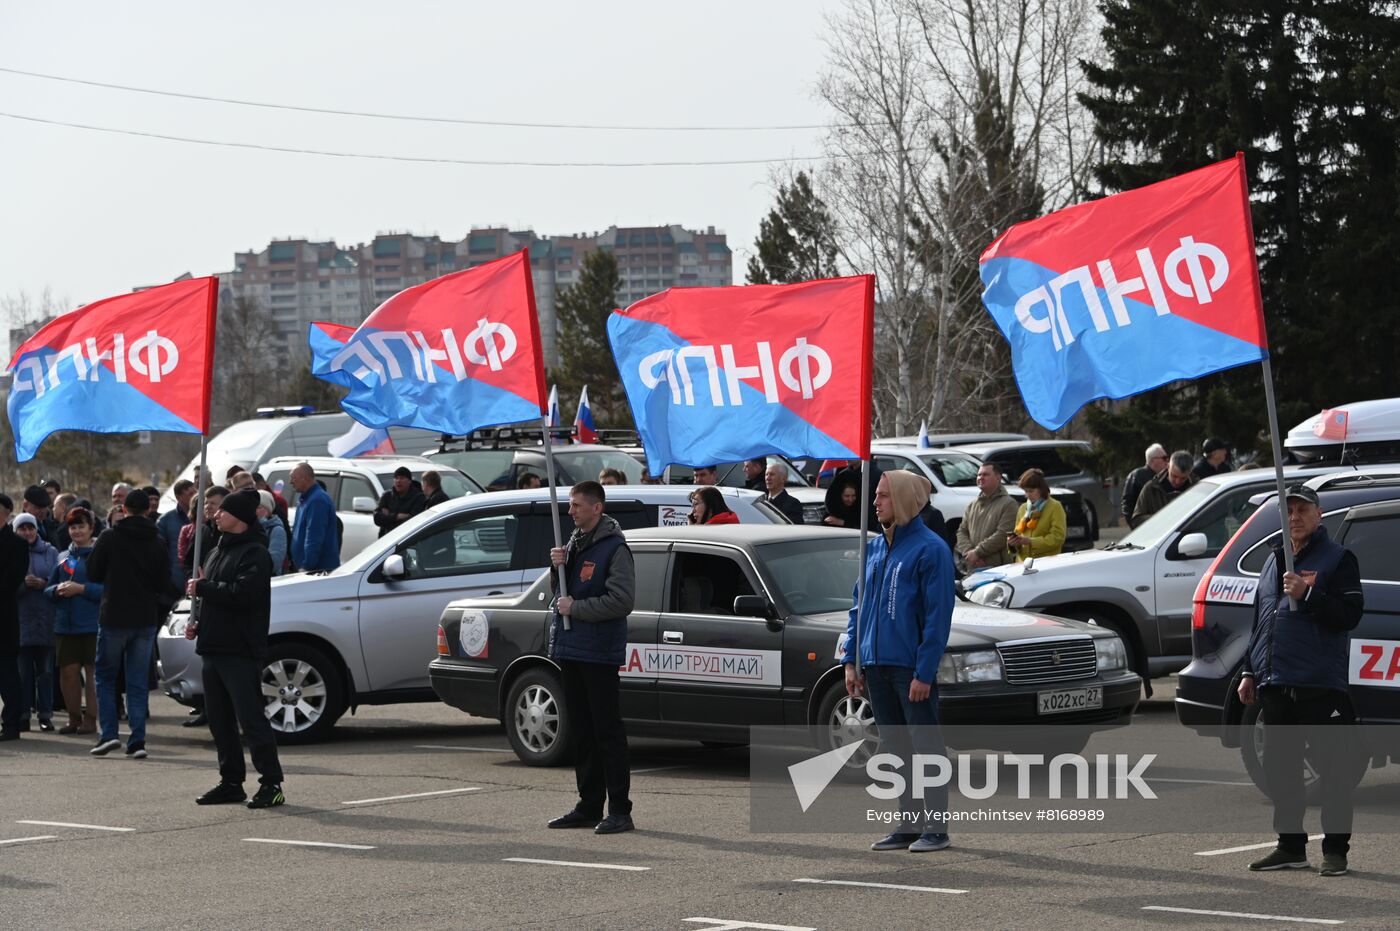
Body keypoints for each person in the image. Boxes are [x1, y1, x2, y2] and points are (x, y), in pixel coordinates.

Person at [1238, 484, 1365, 877]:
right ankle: (1290, 847)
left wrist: (1309, 595)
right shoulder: (1273, 560)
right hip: (1276, 683)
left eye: (1302, 510)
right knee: (1281, 771)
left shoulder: (1339, 558)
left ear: (1318, 514)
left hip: (1319, 685)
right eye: (1288, 510)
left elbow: (1350, 614)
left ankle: (1336, 851)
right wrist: (1248, 670)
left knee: (1334, 773)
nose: (1294, 516)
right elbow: (1261, 622)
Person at [843, 471, 955, 852]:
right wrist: (851, 660)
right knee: (895, 749)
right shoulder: (874, 547)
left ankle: (936, 829)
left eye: (884, 496)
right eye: (876, 496)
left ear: (906, 499)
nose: (875, 503)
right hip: (876, 665)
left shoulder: (931, 549)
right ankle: (908, 824)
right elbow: (858, 608)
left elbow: (937, 617)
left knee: (926, 747)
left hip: (910, 669)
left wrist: (924, 671)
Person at [185, 488, 285, 809]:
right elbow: (215, 599)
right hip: (213, 646)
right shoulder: (216, 550)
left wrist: (204, 587)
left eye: (222, 511)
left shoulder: (255, 554)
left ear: (240, 519)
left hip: (240, 650)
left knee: (251, 718)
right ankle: (231, 781)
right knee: (219, 720)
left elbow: (242, 594)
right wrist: (198, 622)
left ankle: (271, 783)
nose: (215, 515)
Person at [545, 481, 636, 834]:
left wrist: (577, 608)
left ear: (597, 508)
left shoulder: (615, 549)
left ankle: (620, 810)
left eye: (577, 506)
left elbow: (621, 601)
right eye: (570, 505)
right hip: (571, 648)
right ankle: (588, 805)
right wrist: (558, 568)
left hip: (598, 652)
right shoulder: (574, 542)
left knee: (606, 731)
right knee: (581, 731)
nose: (570, 511)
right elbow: (562, 592)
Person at [85, 489, 170, 759]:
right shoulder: (157, 539)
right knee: (136, 681)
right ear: (147, 510)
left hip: (114, 615)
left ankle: (109, 733)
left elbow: (93, 571)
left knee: (106, 676)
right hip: (144, 618)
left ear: (124, 508)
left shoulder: (111, 537)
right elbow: (163, 582)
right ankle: (137, 740)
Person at [46, 507, 102, 735]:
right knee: (67, 673)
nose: (76, 531)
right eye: (72, 526)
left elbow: (108, 590)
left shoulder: (100, 555)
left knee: (92, 674)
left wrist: (81, 589)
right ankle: (73, 718)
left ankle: (91, 719)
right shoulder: (63, 557)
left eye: (81, 526)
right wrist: (55, 590)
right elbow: (48, 588)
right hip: (64, 625)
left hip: (92, 624)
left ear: (91, 528)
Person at [15, 513, 59, 732]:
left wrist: (43, 583)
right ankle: (23, 714)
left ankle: (45, 714)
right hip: (20, 620)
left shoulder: (51, 552)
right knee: (23, 674)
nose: (27, 533)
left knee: (45, 672)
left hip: (45, 619)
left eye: (30, 528)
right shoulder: (12, 551)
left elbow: (60, 580)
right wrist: (23, 584)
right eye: (22, 529)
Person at [0, 496, 34, 740]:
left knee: (7, 673)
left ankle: (12, 723)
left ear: (8, 513)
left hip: (4, 617)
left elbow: (11, 581)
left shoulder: (17, 544)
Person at [955, 462, 1016, 573]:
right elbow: (961, 531)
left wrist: (977, 553)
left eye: (986, 474)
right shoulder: (972, 505)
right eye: (979, 475)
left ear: (998, 478)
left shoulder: (1009, 504)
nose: (980, 478)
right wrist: (970, 553)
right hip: (973, 567)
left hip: (999, 571)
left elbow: (1003, 535)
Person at [1007, 468, 1067, 561]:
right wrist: (1012, 543)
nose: (1027, 495)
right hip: (1022, 564)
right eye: (1025, 491)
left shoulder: (1055, 506)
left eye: (1031, 491)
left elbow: (1058, 538)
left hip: (1046, 564)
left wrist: (1031, 541)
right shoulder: (1023, 508)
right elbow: (1017, 533)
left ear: (1041, 489)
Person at [290, 463, 339, 572]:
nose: (291, 482)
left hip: (316, 571)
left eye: (293, 478)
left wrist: (306, 566)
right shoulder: (305, 499)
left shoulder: (317, 500)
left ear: (306, 478)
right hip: (308, 569)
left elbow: (314, 537)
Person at [1131, 450, 1195, 528]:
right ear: (1168, 467)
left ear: (1190, 472)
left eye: (1183, 478)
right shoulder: (1151, 488)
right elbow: (1136, 520)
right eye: (1174, 476)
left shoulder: (1197, 489)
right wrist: (1162, 518)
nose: (1177, 481)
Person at [181, 486, 227, 578]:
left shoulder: (231, 531)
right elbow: (188, 561)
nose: (208, 506)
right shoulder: (201, 529)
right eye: (206, 503)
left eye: (213, 503)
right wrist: (195, 579)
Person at [158, 479, 196, 589]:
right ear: (178, 497)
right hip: (174, 582)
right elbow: (159, 553)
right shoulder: (165, 521)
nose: (196, 496)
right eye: (191, 494)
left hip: (198, 581)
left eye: (196, 492)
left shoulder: (204, 518)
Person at [823, 461, 883, 529]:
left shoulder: (876, 475)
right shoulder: (843, 475)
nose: (850, 499)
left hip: (872, 528)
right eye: (847, 496)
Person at [374, 466, 426, 538]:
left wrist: (388, 517)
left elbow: (413, 520)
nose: (398, 481)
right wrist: (397, 516)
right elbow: (377, 518)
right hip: (386, 540)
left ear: (409, 481)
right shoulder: (387, 495)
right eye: (396, 478)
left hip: (407, 539)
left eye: (402, 478)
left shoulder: (418, 497)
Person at [1120, 444, 1167, 525]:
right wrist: (1135, 526)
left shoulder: (1165, 477)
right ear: (1153, 460)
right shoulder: (1136, 476)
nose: (1167, 461)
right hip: (1145, 525)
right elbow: (1127, 504)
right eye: (1164, 458)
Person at [257, 491, 288, 576]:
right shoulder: (249, 527)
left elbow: (274, 562)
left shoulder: (277, 530)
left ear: (268, 510)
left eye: (259, 507)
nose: (254, 511)